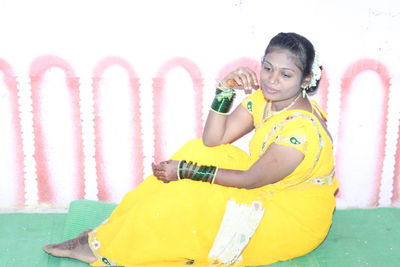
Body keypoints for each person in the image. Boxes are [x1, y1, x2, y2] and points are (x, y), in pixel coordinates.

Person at [43, 32, 338, 267]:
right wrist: (225, 90)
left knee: (189, 192)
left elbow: (250, 179)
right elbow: (213, 139)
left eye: (286, 75)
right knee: (197, 150)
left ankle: (109, 246)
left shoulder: (301, 132)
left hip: (290, 219)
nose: (272, 80)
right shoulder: (267, 100)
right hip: (268, 187)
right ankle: (109, 235)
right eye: (268, 68)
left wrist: (186, 172)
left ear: (307, 79)